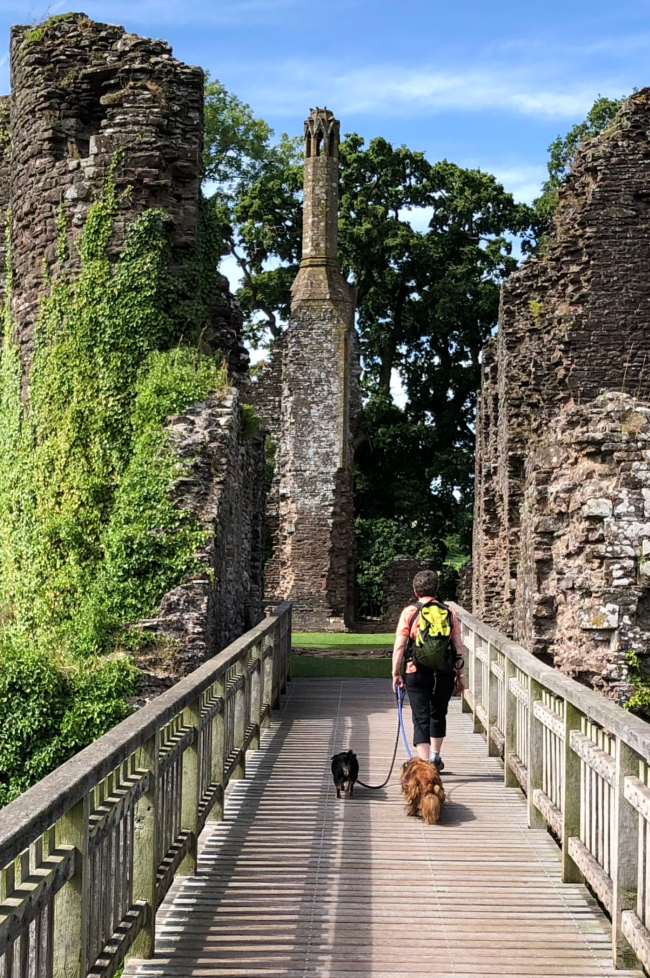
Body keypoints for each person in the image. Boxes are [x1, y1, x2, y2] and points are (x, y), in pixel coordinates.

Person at [391, 570, 464, 771]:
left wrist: (396, 674)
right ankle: (435, 757)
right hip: (444, 671)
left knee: (420, 715)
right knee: (438, 712)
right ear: (436, 590)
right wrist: (459, 675)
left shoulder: (409, 612)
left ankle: (424, 766)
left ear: (415, 591)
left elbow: (399, 647)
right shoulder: (449, 612)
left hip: (416, 670)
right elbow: (458, 647)